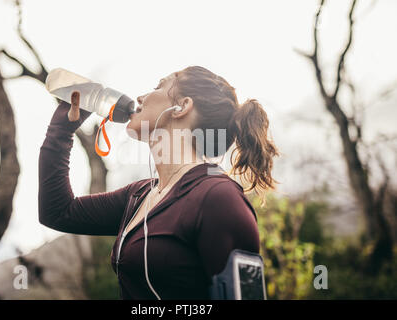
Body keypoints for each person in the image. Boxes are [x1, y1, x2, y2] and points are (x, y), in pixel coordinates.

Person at [38, 65, 280, 299]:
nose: (140, 97)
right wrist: (61, 130)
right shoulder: (138, 196)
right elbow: (58, 212)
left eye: (159, 85)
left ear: (182, 106)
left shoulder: (219, 197)